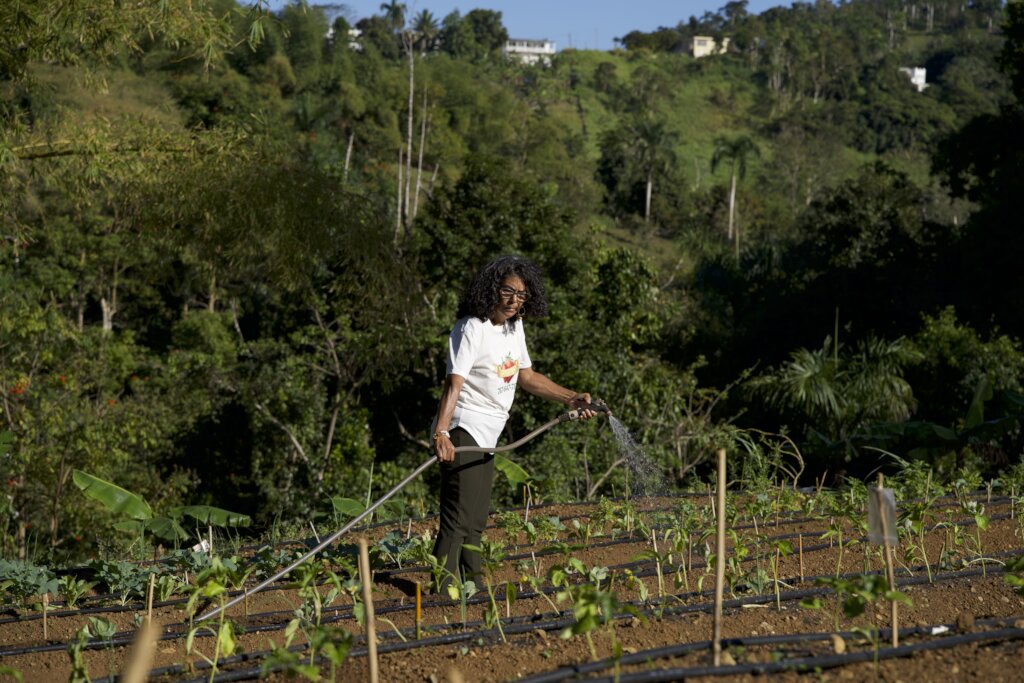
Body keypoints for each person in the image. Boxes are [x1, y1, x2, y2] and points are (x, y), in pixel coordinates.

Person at [431, 255, 597, 589]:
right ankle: (442, 591)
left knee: (476, 519)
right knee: (458, 516)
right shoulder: (471, 328)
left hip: (490, 433)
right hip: (464, 428)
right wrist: (442, 432)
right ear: (492, 288)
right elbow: (454, 384)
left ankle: (472, 587)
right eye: (508, 291)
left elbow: (528, 376)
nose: (514, 301)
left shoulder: (513, 327)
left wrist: (570, 397)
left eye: (521, 295)